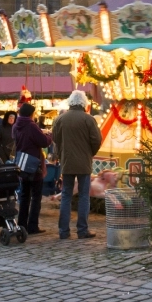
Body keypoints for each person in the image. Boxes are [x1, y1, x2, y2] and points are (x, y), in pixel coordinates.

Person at [51, 91, 103, 240]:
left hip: (67, 162)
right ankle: (82, 230)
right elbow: (96, 140)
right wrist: (89, 153)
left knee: (66, 195)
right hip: (83, 163)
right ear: (84, 103)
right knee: (84, 196)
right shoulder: (89, 119)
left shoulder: (60, 119)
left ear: (70, 102)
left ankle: (63, 231)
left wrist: (61, 154)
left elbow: (56, 139)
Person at [12, 103, 48, 235]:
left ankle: (22, 224)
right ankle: (33, 226)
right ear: (31, 114)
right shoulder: (32, 125)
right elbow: (43, 142)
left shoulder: (16, 125)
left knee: (24, 195)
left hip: (21, 164)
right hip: (33, 164)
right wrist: (49, 135)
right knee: (36, 196)